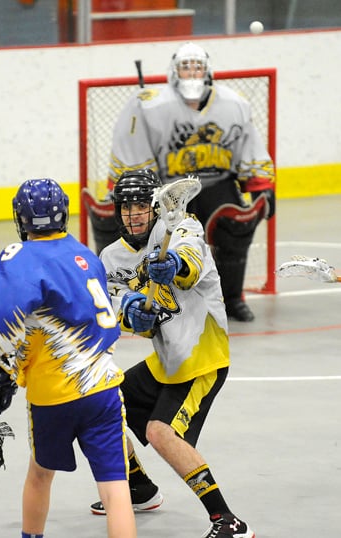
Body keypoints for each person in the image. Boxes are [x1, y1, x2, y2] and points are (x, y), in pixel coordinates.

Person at [89, 168, 255, 538]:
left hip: (202, 354)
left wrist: (175, 265)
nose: (133, 215)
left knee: (160, 432)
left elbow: (190, 264)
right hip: (166, 358)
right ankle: (139, 489)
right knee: (101, 407)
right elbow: (114, 309)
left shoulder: (181, 227)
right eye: (125, 207)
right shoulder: (110, 258)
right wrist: (128, 312)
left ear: (153, 208)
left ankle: (228, 520)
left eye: (140, 207)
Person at [0, 178, 137, 538]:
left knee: (39, 475)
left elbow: (0, 315)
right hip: (104, 391)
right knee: (115, 488)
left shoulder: (20, 257)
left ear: (21, 218)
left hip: (54, 395)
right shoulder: (85, 254)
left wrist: (0, 371)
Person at [84, 41, 275, 322]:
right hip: (166, 186)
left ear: (208, 71)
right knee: (141, 230)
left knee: (237, 224)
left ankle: (232, 297)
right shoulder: (149, 105)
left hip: (217, 184)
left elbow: (251, 148)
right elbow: (132, 153)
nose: (192, 74)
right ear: (174, 72)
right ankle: (136, 293)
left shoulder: (235, 104)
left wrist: (262, 186)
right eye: (186, 68)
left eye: (197, 67)